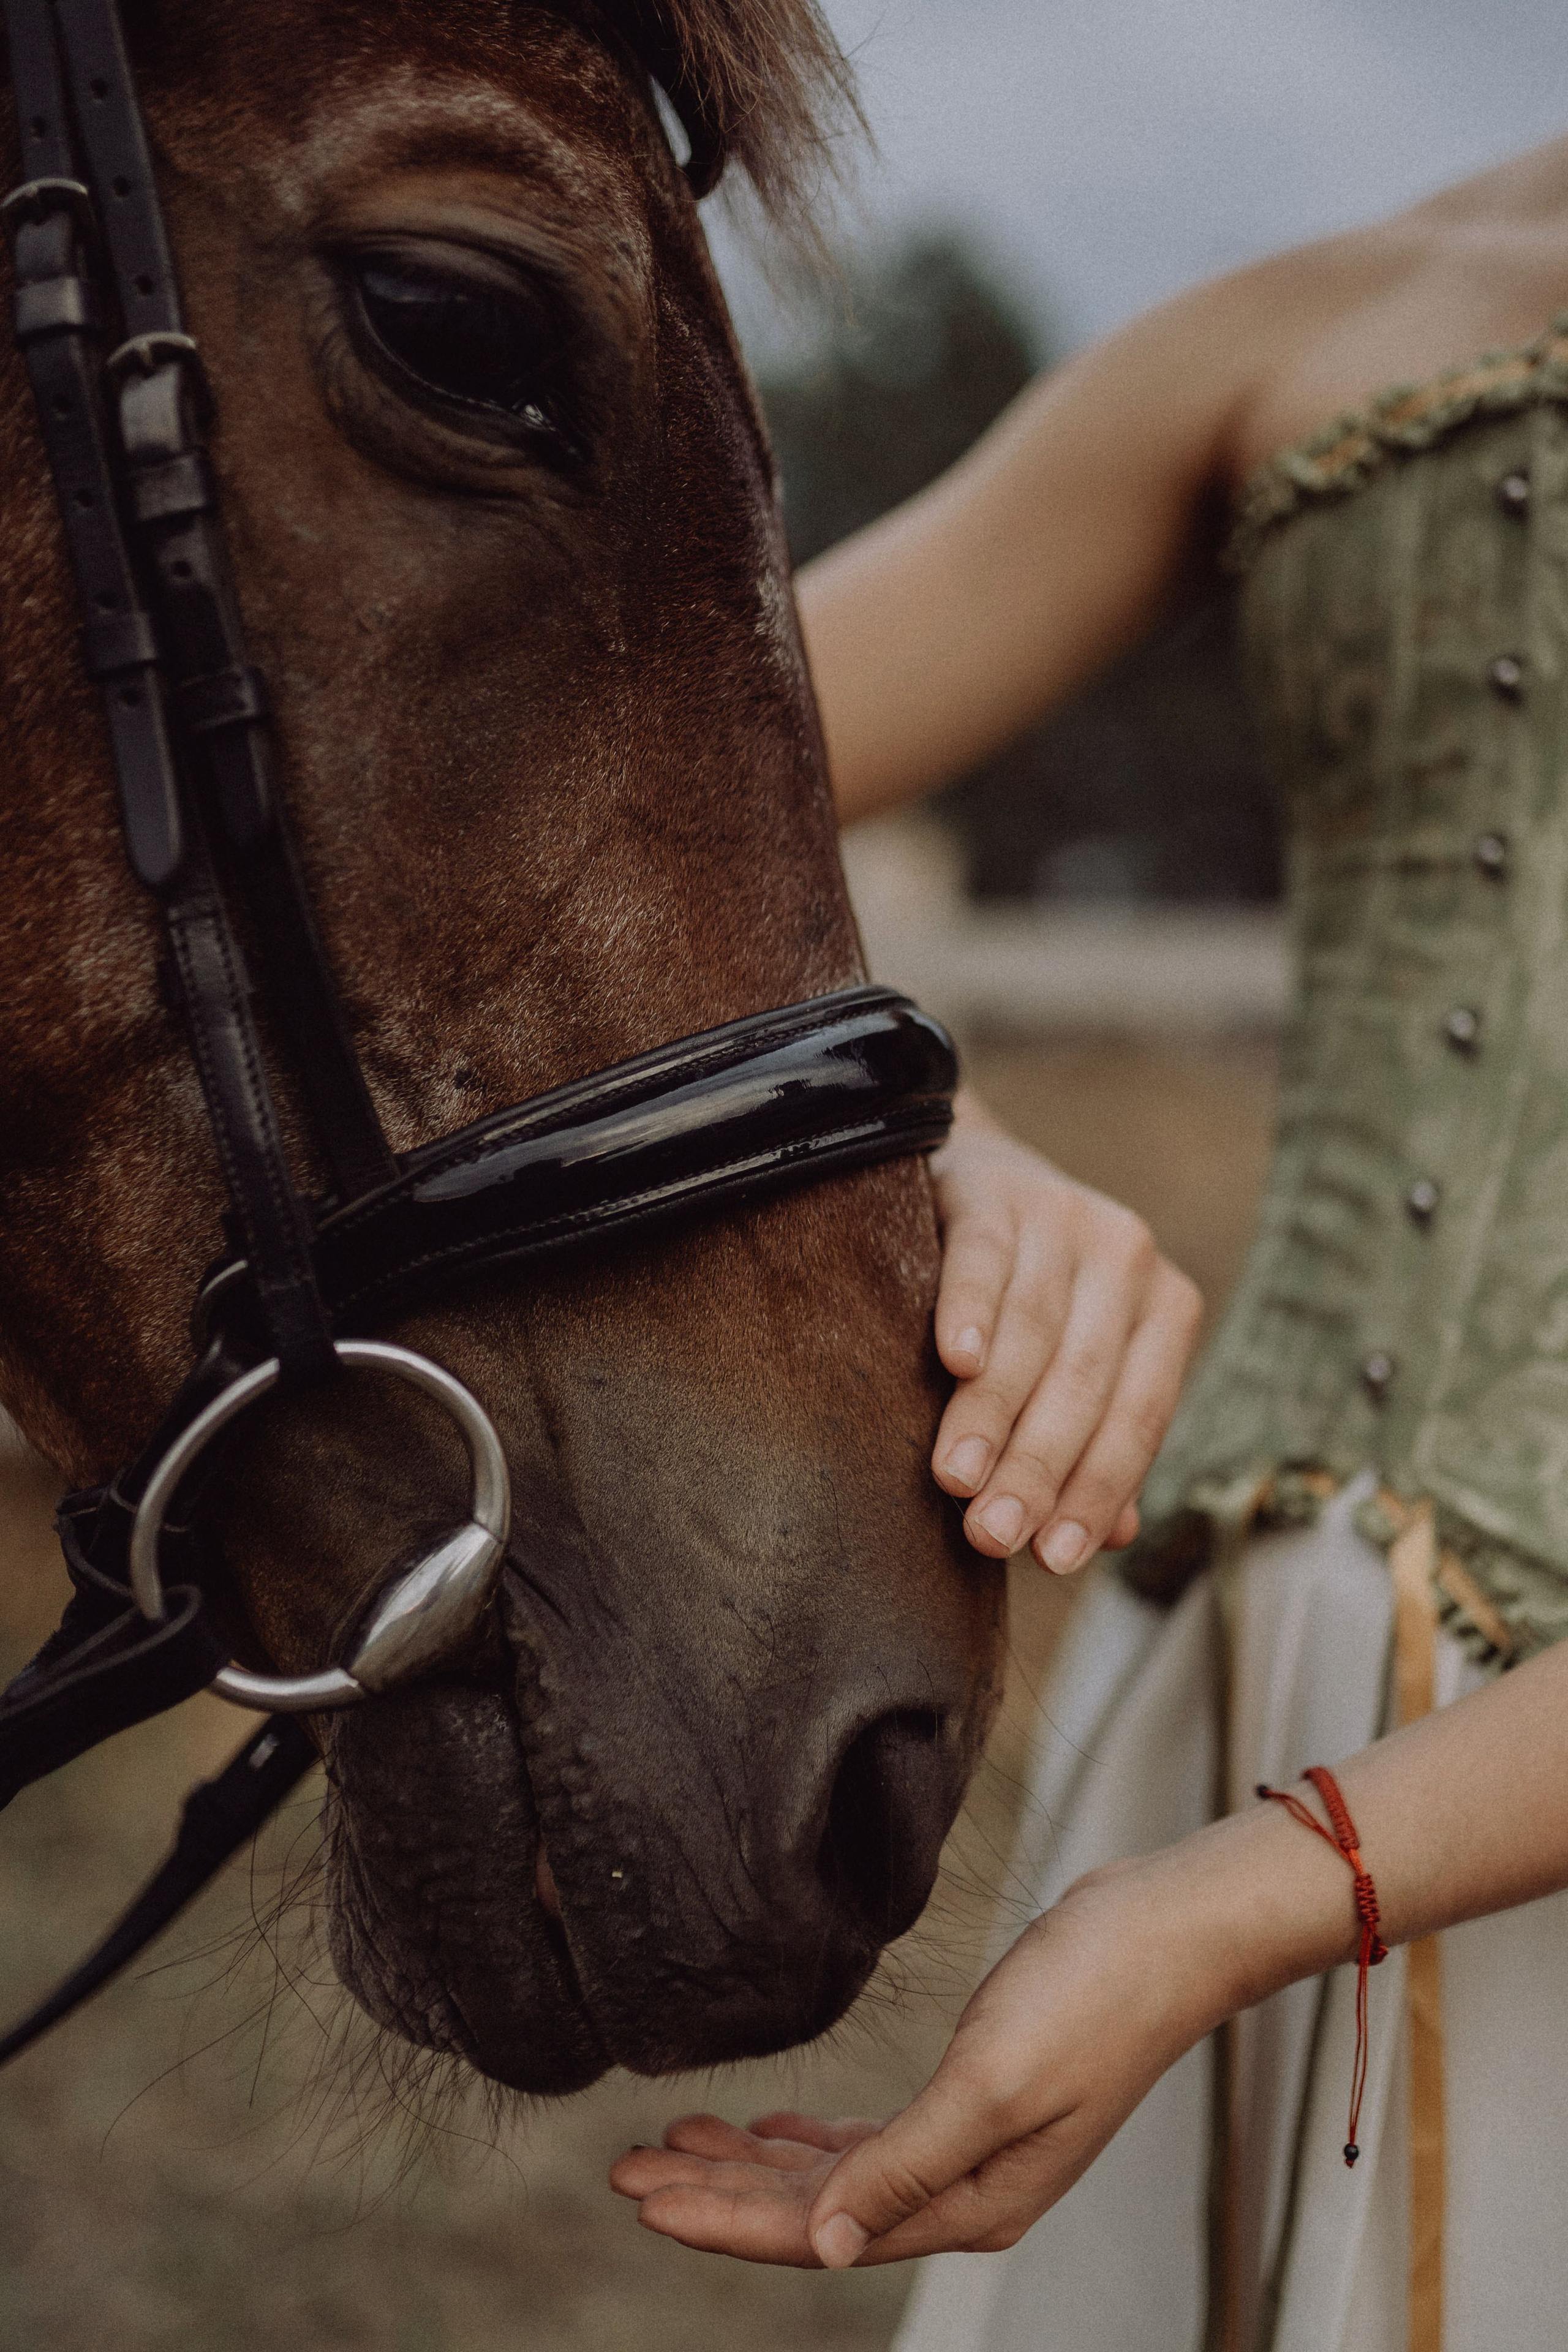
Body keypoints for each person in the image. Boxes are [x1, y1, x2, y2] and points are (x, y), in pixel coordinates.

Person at [612, 130, 1568, 2350]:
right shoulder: (1295, 326)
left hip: (1315, 1837)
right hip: (1229, 1676)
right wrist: (917, 1129)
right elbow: (601, 807)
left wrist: (1243, 1902)